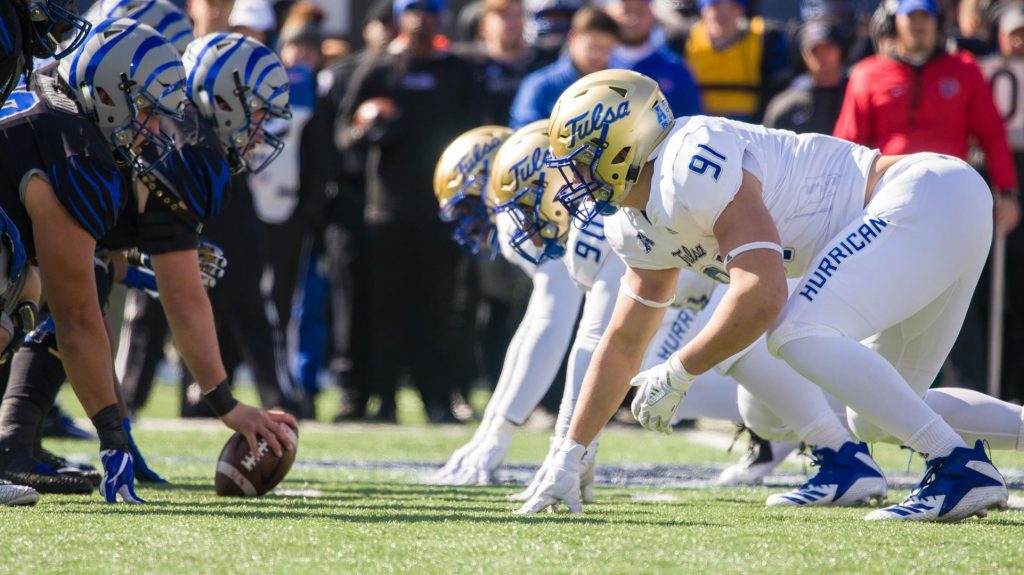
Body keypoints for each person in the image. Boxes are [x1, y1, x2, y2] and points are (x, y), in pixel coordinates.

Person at [517, 69, 1017, 522]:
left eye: (582, 160)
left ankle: (957, 466)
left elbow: (762, 294)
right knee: (875, 416)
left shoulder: (690, 159)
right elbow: (623, 339)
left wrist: (679, 371)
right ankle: (968, 453)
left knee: (795, 332)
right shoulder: (633, 222)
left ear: (623, 144)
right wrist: (571, 451)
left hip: (923, 194)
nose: (576, 178)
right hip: (937, 212)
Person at [834, 0, 1021, 391]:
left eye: (925, 18)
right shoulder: (867, 76)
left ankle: (963, 403)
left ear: (938, 24)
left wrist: (1007, 193)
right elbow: (845, 147)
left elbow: (991, 135)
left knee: (954, 313)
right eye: (910, 17)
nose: (918, 27)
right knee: (878, 304)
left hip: (951, 206)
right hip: (885, 208)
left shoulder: (965, 71)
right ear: (893, 23)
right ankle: (869, 396)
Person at [337, 0, 483, 423]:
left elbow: (476, 133)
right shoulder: (379, 68)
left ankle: (437, 397)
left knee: (439, 309)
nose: (423, 18)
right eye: (414, 9)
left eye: (430, 10)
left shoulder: (457, 71)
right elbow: (344, 134)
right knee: (386, 310)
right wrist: (370, 127)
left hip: (442, 210)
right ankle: (383, 399)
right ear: (402, 16)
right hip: (388, 210)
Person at [667, 0, 791, 122]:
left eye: (731, 7)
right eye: (716, 6)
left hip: (747, 127)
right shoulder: (680, 40)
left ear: (741, 11)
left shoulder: (766, 40)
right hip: (696, 125)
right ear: (703, 10)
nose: (723, 14)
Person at [509, 6, 619, 129]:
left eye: (606, 49)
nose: (598, 55)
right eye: (593, 46)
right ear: (572, 38)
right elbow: (524, 135)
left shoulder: (619, 87)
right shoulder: (539, 85)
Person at [603, 0, 703, 118]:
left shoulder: (675, 68)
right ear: (608, 12)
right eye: (626, 11)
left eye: (640, 12)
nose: (633, 19)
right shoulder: (595, 65)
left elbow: (692, 122)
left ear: (653, 14)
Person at [762, 20, 848, 134]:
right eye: (815, 51)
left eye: (828, 49)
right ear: (803, 55)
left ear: (840, 50)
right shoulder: (786, 106)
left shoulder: (858, 97)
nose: (822, 56)